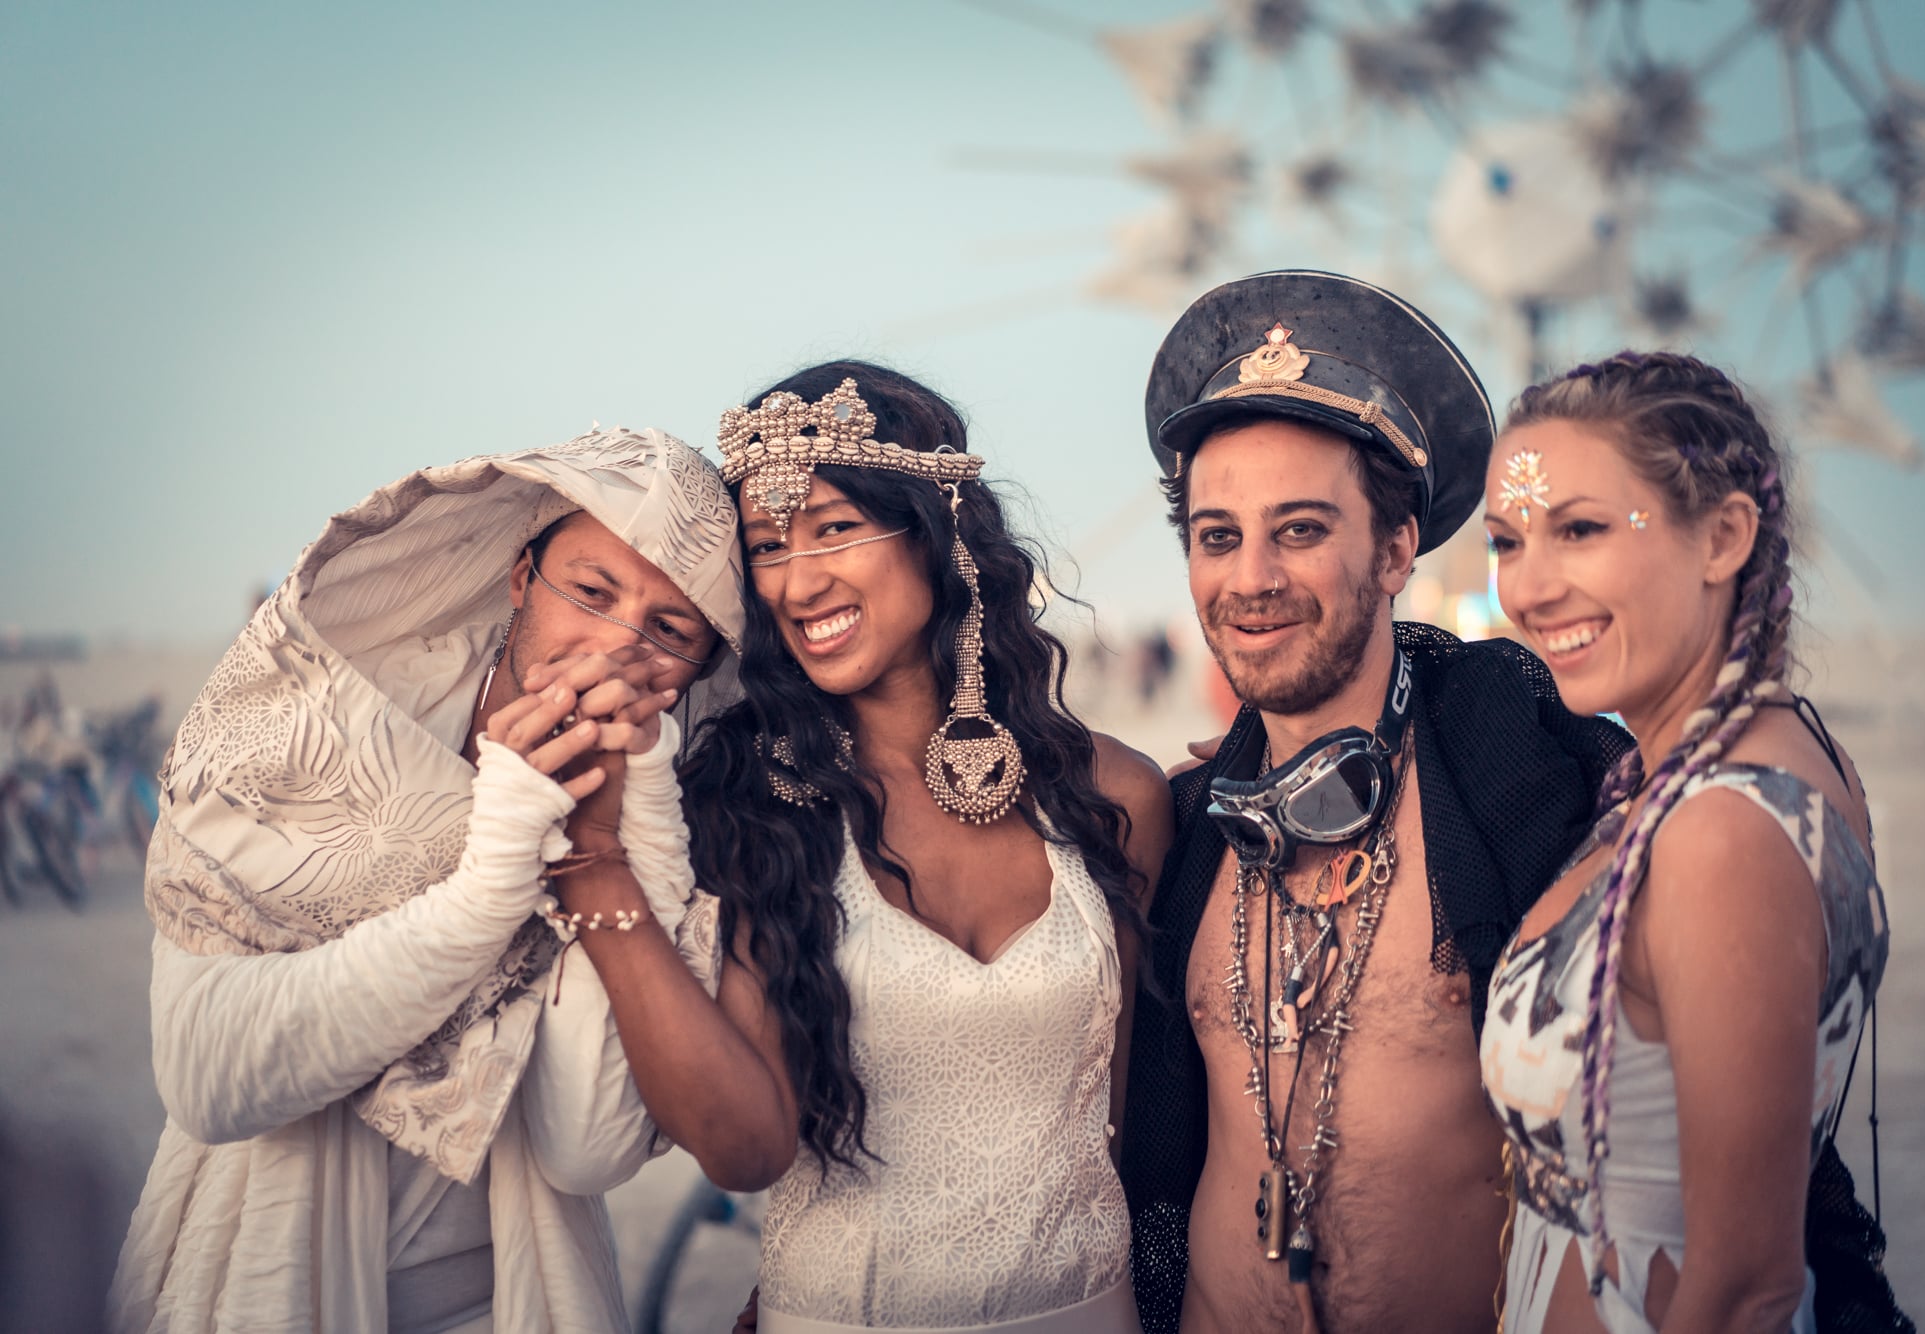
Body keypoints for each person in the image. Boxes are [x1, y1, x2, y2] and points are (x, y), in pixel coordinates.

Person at [1116, 272, 1909, 1334]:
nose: (1248, 575)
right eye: (1216, 536)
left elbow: (1739, 1230)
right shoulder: (1187, 827)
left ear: (1397, 549)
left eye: (1299, 529)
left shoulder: (1542, 794)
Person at [552, 362, 1173, 1332]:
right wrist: (594, 867)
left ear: (940, 535)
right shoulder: (753, 810)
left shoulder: (1118, 798)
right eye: (766, 544)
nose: (798, 581)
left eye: (833, 528)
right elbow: (741, 1149)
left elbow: (1133, 1125)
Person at [110, 426, 748, 1333]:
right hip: (263, 1275)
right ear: (523, 578)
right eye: (593, 592)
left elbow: (584, 1146)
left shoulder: (667, 806)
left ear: (699, 671)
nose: (612, 649)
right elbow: (206, 1077)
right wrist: (488, 885)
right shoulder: (329, 726)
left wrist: (621, 828)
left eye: (669, 630)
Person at [1478, 353, 1891, 1332]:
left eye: (1577, 528)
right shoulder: (1779, 748)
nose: (1528, 587)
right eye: (1505, 539)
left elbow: (1747, 1283)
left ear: (1721, 535)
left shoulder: (1717, 831)